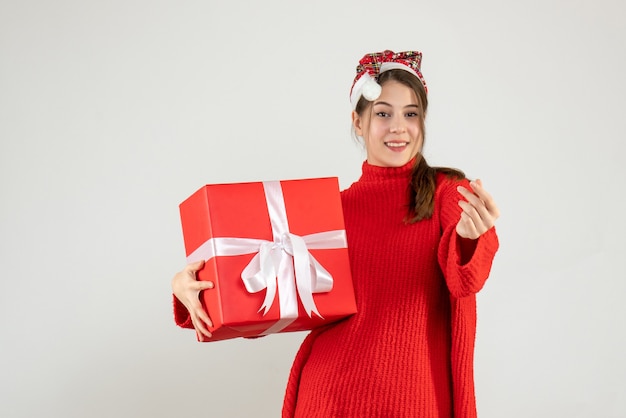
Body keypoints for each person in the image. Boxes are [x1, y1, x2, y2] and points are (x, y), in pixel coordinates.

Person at [172, 49, 500, 418]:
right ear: (357, 122)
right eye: (382, 114)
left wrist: (472, 237)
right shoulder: (327, 212)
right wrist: (197, 291)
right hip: (330, 396)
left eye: (411, 114)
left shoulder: (448, 192)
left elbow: (466, 280)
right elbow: (265, 303)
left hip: (415, 398)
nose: (398, 127)